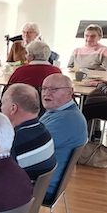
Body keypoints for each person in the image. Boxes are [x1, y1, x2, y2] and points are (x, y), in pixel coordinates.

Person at [40, 74, 88, 204]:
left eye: (54, 89)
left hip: (42, 187)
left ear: (70, 92)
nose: (46, 93)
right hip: (45, 180)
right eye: (44, 88)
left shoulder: (66, 120)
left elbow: (33, 149)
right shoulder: (58, 112)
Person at [0, 84, 57, 183]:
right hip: (36, 194)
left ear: (13, 108)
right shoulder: (43, 131)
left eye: (2, 103)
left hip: (18, 195)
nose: (1, 108)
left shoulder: (15, 140)